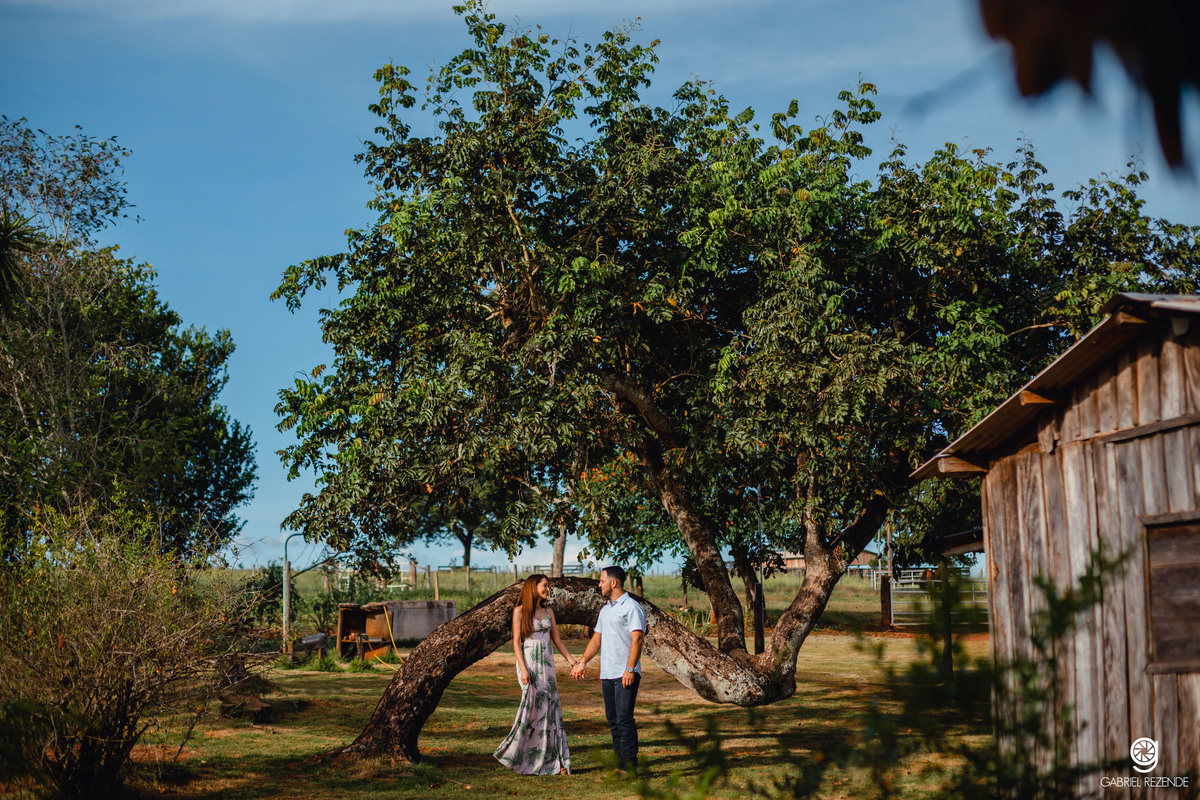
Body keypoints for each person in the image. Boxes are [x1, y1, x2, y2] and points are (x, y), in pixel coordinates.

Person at [495, 574, 578, 775]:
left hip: (547, 666)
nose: (548, 589)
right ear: (534, 587)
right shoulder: (520, 611)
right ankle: (519, 755)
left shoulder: (549, 611)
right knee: (532, 708)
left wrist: (573, 662)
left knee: (550, 708)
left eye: (548, 586)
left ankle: (555, 760)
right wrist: (524, 669)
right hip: (530, 664)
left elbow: (557, 640)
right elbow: (516, 643)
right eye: (545, 585)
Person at [571, 565, 646, 775]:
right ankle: (619, 764)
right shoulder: (606, 610)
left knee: (624, 719)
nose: (599, 585)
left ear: (613, 583)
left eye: (602, 581)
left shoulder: (632, 607)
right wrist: (582, 661)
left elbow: (637, 640)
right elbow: (596, 640)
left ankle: (629, 766)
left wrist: (630, 669)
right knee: (613, 720)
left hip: (625, 673)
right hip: (607, 673)